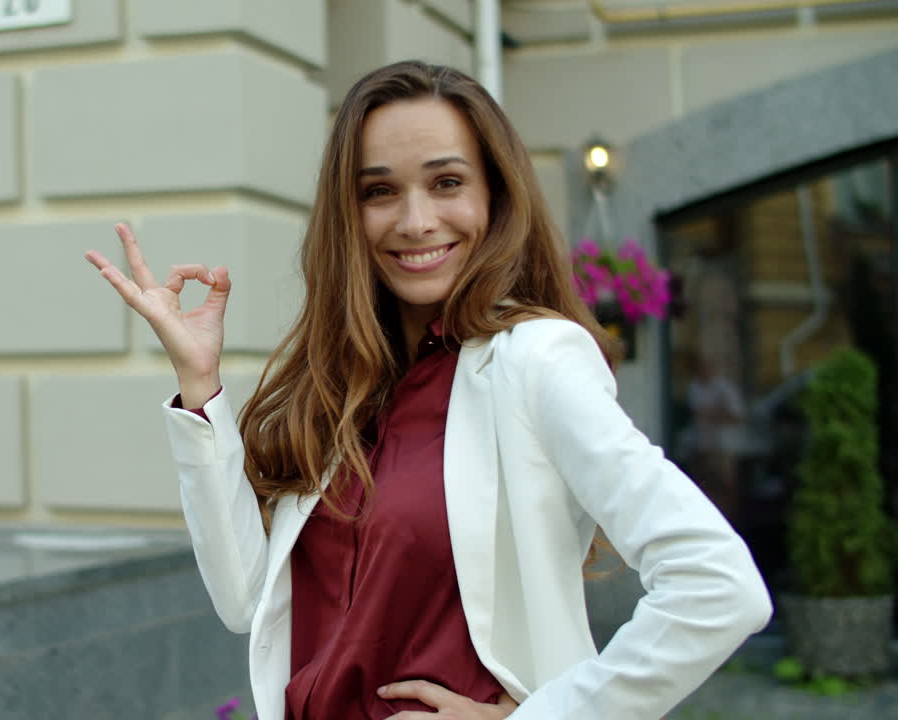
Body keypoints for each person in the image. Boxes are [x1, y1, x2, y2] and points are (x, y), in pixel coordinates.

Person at [84, 61, 771, 720]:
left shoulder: (535, 359)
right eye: (380, 191)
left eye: (446, 183)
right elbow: (247, 603)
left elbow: (717, 586)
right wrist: (200, 386)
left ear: (495, 197)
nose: (415, 221)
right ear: (349, 213)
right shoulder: (344, 383)